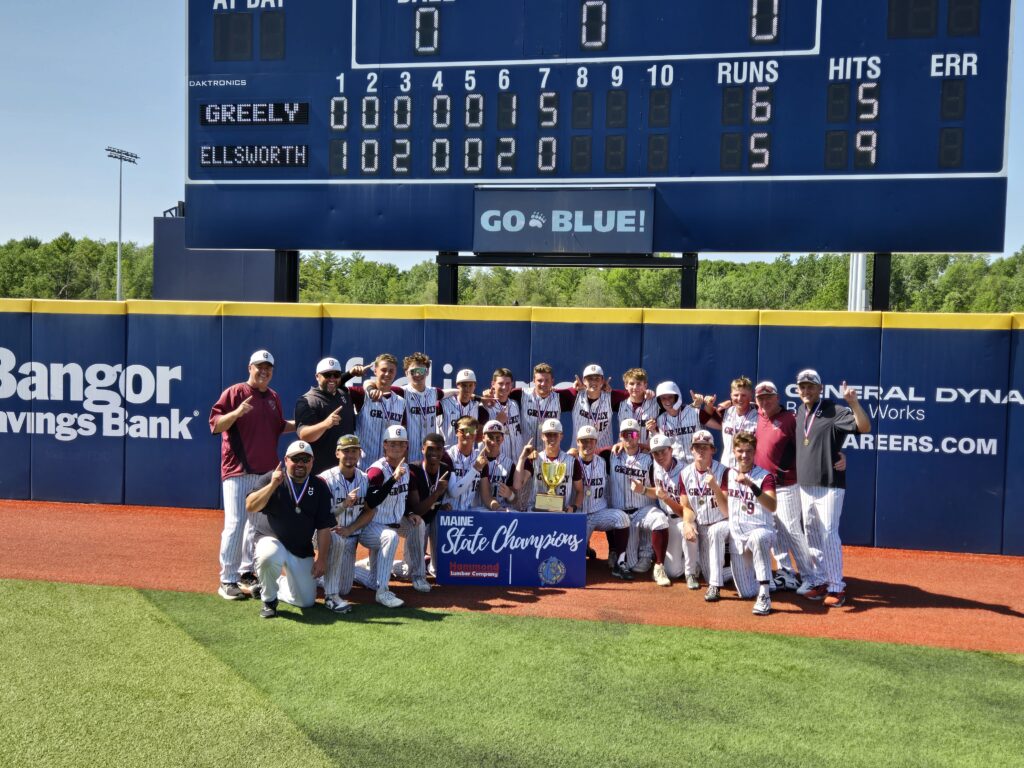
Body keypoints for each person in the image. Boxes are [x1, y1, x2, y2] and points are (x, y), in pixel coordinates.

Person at [209, 349, 294, 601]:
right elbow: (215, 425)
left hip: (264, 472)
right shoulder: (235, 392)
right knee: (235, 524)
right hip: (238, 469)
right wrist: (236, 413)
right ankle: (228, 579)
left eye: (268, 368)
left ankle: (246, 573)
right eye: (259, 366)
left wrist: (306, 423)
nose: (264, 371)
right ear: (250, 368)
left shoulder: (274, 397)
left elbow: (279, 427)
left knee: (254, 527)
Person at [793, 369, 871, 608]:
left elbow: (864, 428)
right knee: (813, 533)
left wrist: (854, 403)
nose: (806, 391)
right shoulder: (799, 412)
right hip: (805, 484)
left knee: (828, 534)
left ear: (820, 389)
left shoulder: (834, 410)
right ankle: (819, 580)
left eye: (811, 386)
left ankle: (837, 587)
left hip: (829, 484)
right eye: (802, 387)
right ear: (798, 390)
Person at [245, 440, 334, 619]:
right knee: (268, 556)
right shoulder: (272, 477)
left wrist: (322, 559)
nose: (300, 463)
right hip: (272, 538)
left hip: (300, 547)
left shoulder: (319, 486)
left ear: (312, 461)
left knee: (306, 601)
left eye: (305, 459)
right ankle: (269, 601)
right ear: (286, 460)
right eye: (295, 459)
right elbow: (250, 506)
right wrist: (272, 486)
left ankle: (271, 584)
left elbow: (324, 527)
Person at [752, 380, 823, 595]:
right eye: (760, 398)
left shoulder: (790, 419)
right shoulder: (758, 416)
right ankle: (786, 572)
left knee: (792, 530)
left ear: (777, 398)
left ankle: (811, 577)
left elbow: (811, 442)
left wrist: (837, 455)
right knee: (775, 530)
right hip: (764, 484)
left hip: (787, 484)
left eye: (768, 397)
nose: (764, 401)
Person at [707, 431, 778, 616]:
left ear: (755, 452)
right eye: (740, 451)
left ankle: (765, 594)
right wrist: (715, 488)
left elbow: (772, 506)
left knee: (759, 537)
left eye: (749, 451)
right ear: (734, 451)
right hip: (738, 535)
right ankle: (719, 583)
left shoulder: (765, 476)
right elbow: (725, 511)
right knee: (746, 593)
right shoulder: (728, 474)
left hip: (760, 530)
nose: (744, 455)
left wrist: (751, 486)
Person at [353, 424, 422, 606]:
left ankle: (418, 575)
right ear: (384, 445)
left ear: (407, 446)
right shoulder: (376, 471)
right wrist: (393, 479)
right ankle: (383, 592)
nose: (397, 448)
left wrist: (410, 513)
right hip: (372, 526)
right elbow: (371, 503)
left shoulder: (405, 469)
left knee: (418, 524)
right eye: (392, 444)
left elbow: (402, 497)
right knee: (390, 537)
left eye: (401, 444)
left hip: (395, 522)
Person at [629, 433, 699, 588]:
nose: (660, 456)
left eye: (663, 451)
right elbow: (659, 492)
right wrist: (643, 490)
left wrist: (666, 499)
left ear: (671, 450)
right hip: (670, 520)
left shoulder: (685, 472)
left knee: (689, 529)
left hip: (685, 519)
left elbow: (686, 511)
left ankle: (691, 572)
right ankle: (697, 560)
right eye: (655, 452)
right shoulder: (657, 467)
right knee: (672, 572)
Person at [319, 434, 371, 614]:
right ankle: (330, 596)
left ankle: (324, 578)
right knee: (337, 539)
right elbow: (321, 516)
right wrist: (343, 505)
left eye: (354, 451)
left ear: (359, 454)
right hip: (325, 534)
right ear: (337, 453)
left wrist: (350, 529)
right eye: (346, 451)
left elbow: (371, 511)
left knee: (346, 589)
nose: (350, 455)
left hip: (350, 536)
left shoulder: (364, 479)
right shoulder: (325, 479)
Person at [676, 430, 729, 602]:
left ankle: (746, 570)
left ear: (713, 450)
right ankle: (690, 573)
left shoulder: (723, 472)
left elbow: (727, 510)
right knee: (685, 527)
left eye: (705, 447)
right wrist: (687, 522)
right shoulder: (684, 473)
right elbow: (686, 506)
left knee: (716, 533)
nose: (701, 451)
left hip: (721, 524)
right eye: (697, 447)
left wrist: (715, 487)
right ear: (691, 450)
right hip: (701, 525)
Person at [572, 425, 632, 579]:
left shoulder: (604, 459)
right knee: (574, 561)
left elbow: (626, 445)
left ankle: (619, 562)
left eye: (591, 441)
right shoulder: (570, 461)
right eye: (583, 441)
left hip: (599, 513)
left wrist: (620, 444)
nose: (587, 445)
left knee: (622, 518)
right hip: (579, 516)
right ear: (577, 442)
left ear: (596, 442)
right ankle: (583, 547)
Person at [606, 418, 659, 574]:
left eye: (633, 434)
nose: (629, 437)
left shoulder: (650, 458)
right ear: (620, 436)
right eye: (625, 434)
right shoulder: (611, 455)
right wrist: (574, 451)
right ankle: (620, 552)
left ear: (639, 436)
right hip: (623, 513)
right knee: (630, 564)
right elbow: (588, 452)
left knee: (658, 519)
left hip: (644, 509)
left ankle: (649, 554)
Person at [294, 357, 360, 475]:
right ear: (317, 376)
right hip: (321, 472)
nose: (332, 379)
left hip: (346, 471)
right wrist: (325, 424)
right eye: (327, 375)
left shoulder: (344, 395)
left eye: (336, 375)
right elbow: (304, 435)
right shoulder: (307, 401)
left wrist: (350, 373)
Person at [350, 354, 407, 470]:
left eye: (391, 371)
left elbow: (403, 438)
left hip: (388, 469)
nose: (387, 374)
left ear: (395, 373)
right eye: (383, 370)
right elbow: (336, 387)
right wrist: (350, 374)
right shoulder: (362, 394)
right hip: (362, 466)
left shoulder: (401, 402)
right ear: (375, 371)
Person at [514, 418, 583, 513]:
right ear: (542, 436)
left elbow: (580, 491)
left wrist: (574, 507)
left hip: (561, 512)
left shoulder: (572, 462)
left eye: (555, 434)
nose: (552, 438)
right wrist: (522, 457)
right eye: (548, 434)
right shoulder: (534, 459)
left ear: (561, 436)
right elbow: (517, 485)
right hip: (535, 511)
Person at [703, 376, 759, 469]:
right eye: (736, 395)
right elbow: (704, 419)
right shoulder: (725, 412)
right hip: (726, 468)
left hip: (750, 470)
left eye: (744, 395)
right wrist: (708, 406)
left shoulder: (759, 415)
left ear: (751, 396)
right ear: (731, 395)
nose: (740, 398)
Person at [650, 381, 709, 463]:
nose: (667, 400)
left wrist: (709, 405)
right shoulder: (659, 420)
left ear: (676, 397)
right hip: (675, 468)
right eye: (663, 398)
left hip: (697, 465)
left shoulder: (695, 412)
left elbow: (720, 425)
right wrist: (652, 430)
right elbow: (659, 445)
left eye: (670, 397)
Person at [445, 416, 494, 512]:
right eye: (463, 430)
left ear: (475, 434)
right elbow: (453, 492)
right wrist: (475, 469)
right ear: (456, 432)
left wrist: (498, 508)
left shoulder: (480, 459)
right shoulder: (447, 456)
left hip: (469, 514)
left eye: (471, 430)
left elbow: (486, 497)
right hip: (448, 515)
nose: (467, 434)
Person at [482, 368, 524, 467]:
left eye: (508, 383)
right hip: (496, 465)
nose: (504, 387)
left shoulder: (514, 404)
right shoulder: (484, 406)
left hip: (517, 461)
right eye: (500, 383)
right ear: (493, 384)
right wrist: (497, 422)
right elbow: (479, 437)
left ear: (512, 385)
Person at [475, 420, 518, 511]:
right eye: (490, 437)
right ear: (483, 437)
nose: (494, 442)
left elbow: (514, 500)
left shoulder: (509, 464)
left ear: (503, 439)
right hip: (477, 510)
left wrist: (510, 494)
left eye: (498, 438)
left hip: (500, 512)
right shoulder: (474, 459)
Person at [438, 369, 484, 446]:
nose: (467, 389)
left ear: (475, 386)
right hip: (446, 454)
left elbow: (479, 435)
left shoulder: (478, 406)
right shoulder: (443, 403)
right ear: (457, 385)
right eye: (464, 385)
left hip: (468, 455)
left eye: (470, 385)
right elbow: (435, 394)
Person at [615, 368, 659, 446]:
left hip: (647, 451)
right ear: (626, 385)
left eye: (639, 384)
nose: (635, 387)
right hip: (625, 450)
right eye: (631, 383)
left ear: (645, 385)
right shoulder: (619, 403)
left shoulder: (655, 404)